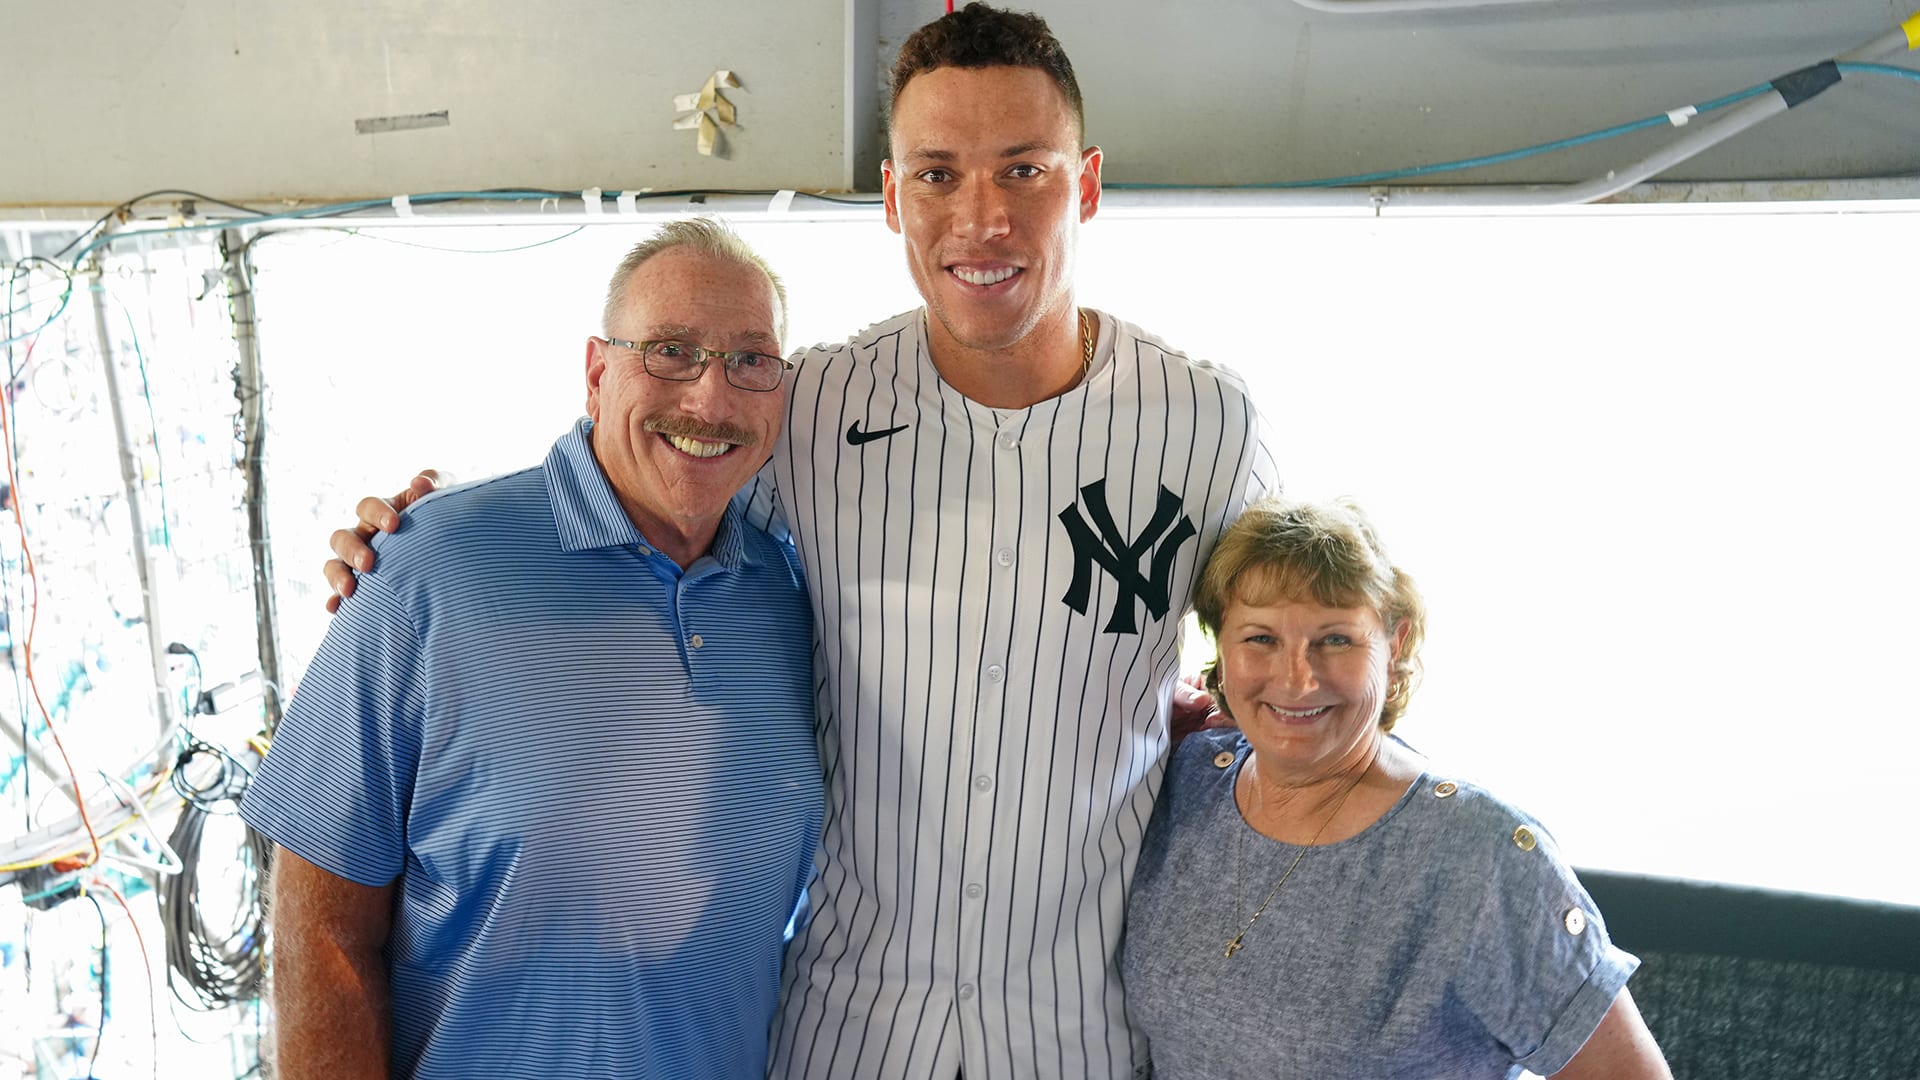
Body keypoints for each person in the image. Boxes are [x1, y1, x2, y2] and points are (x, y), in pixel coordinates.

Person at [325, 6, 1279, 1077]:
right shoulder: (812, 405)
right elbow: (655, 472)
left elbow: (1288, 638)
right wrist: (422, 528)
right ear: (890, 197)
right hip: (842, 1035)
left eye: (1024, 171)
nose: (982, 219)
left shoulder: (1208, 425)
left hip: (1078, 1035)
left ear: (1088, 184)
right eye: (936, 174)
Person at [243, 219, 823, 1080]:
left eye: (750, 360)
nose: (710, 399)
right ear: (597, 372)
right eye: (670, 351)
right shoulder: (426, 565)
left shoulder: (788, 592)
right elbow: (321, 922)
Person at [1123, 497, 1672, 1078]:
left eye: (1334, 640)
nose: (1296, 679)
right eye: (1260, 639)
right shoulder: (1185, 784)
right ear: (1221, 648)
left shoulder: (1479, 855)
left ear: (1396, 644)